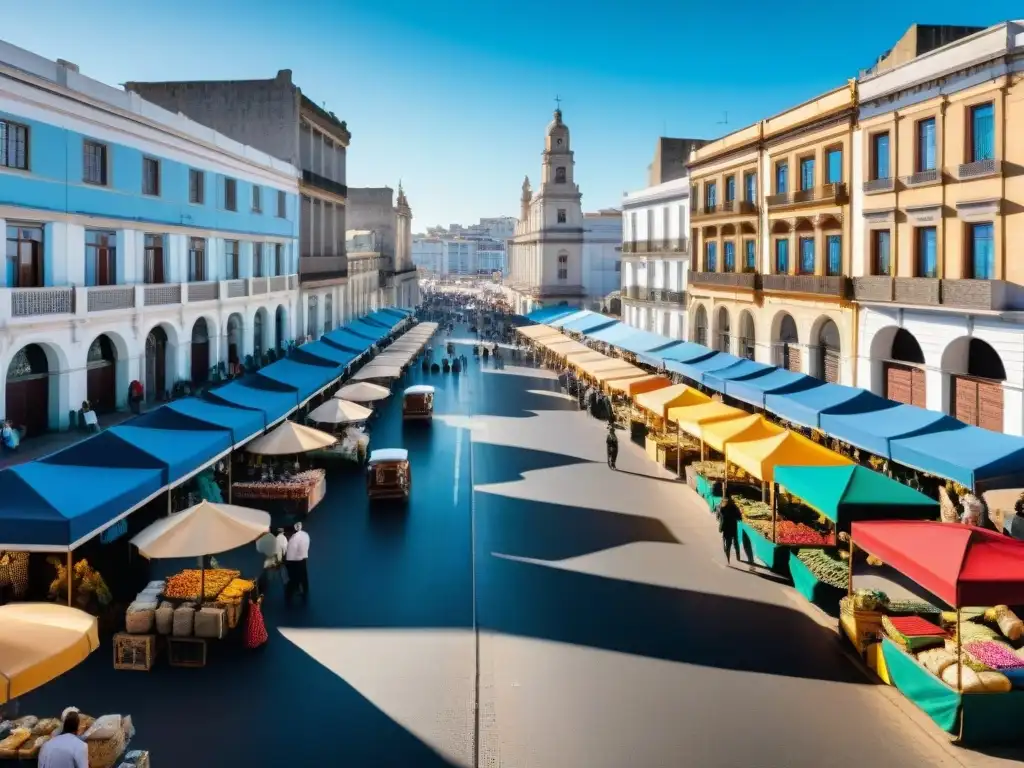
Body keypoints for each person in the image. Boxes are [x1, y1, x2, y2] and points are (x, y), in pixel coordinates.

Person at [284, 521, 310, 603]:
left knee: (294, 579)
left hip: (294, 562)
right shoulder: (303, 536)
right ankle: (304, 591)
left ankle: (289, 596)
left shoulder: (293, 540)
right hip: (301, 560)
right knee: (303, 577)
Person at [718, 495, 743, 565]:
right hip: (733, 528)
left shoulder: (722, 509)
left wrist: (720, 528)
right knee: (735, 543)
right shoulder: (734, 508)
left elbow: (722, 520)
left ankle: (727, 560)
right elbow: (740, 517)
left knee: (727, 545)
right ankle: (738, 557)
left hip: (726, 529)